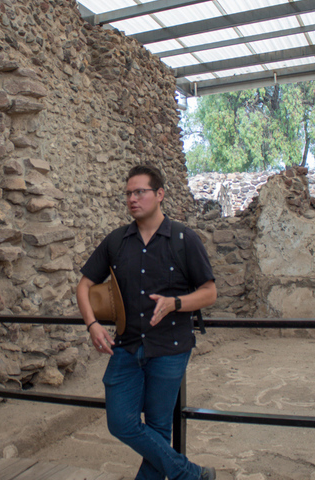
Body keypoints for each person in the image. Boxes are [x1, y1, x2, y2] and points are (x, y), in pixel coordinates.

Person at [76, 164, 218, 480]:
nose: (133, 199)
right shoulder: (116, 241)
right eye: (129, 193)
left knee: (156, 426)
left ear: (159, 194)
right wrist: (92, 325)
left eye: (140, 192)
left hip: (170, 348)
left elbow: (209, 293)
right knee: (121, 423)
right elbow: (84, 285)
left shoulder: (184, 238)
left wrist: (175, 303)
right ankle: (192, 475)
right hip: (125, 347)